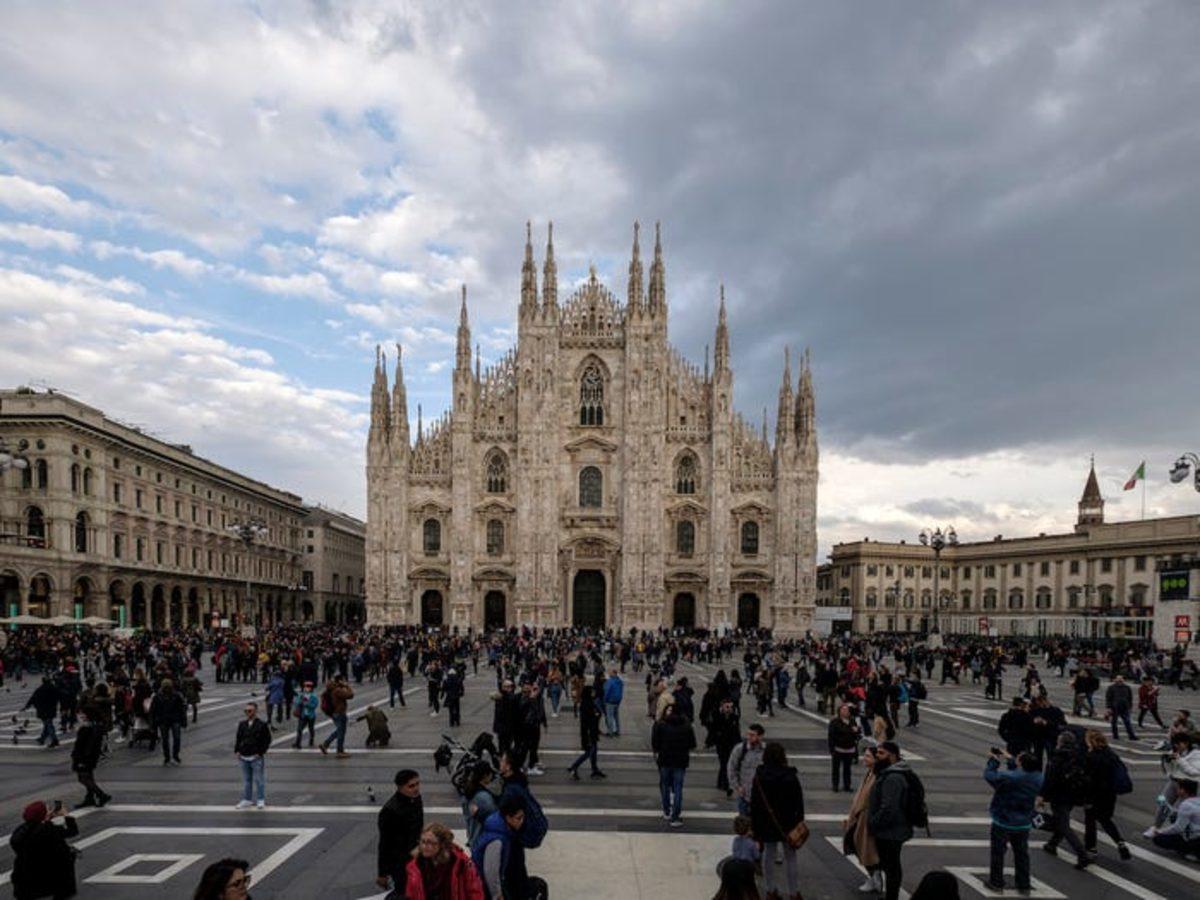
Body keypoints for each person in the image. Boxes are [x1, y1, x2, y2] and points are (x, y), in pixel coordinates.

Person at [749, 741, 805, 900]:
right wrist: (799, 820)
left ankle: (770, 889)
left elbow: (755, 803)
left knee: (768, 855)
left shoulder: (760, 776)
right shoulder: (790, 776)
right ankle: (794, 892)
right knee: (791, 857)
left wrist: (755, 826)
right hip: (788, 822)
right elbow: (798, 801)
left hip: (767, 822)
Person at [984, 749, 1042, 893]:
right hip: (1023, 822)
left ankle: (996, 882)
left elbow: (990, 776)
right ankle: (1024, 885)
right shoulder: (1039, 777)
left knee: (998, 853)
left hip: (1003, 820)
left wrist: (994, 761)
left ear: (1021, 763)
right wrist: (1011, 759)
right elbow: (1021, 772)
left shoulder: (1009, 778)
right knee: (1022, 854)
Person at [867, 741, 915, 900]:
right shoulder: (891, 772)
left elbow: (889, 808)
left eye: (881, 753)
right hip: (892, 829)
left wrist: (873, 824)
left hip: (891, 831)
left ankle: (891, 896)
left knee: (892, 867)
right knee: (890, 865)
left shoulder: (893, 777)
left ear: (892, 756)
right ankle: (891, 895)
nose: (877, 756)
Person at [1038, 731, 1090, 869]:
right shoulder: (1079, 756)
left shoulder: (1057, 758)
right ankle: (1052, 844)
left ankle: (1082, 854)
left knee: (1064, 825)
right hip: (1073, 794)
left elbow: (1050, 779)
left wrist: (1042, 795)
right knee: (1062, 820)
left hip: (1059, 795)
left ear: (1060, 742)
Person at [9, 800, 79, 900]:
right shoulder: (49, 830)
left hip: (23, 880)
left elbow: (36, 829)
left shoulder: (20, 830)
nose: (50, 811)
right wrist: (66, 815)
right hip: (48, 879)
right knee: (67, 857)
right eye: (48, 810)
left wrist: (46, 818)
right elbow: (72, 831)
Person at [403, 821, 485, 900]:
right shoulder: (414, 866)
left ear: (441, 844)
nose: (425, 846)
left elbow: (474, 890)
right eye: (423, 841)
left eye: (430, 842)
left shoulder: (460, 862)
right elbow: (411, 894)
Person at [1082, 730, 1131, 859]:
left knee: (1090, 822)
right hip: (1110, 793)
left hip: (1094, 794)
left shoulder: (1091, 757)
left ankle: (1091, 848)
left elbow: (1088, 778)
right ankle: (1120, 842)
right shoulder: (1111, 755)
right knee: (1105, 819)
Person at [473, 796, 531, 900]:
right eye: (519, 818)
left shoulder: (499, 827)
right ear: (508, 817)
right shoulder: (497, 840)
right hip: (482, 886)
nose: (522, 821)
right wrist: (497, 895)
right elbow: (491, 871)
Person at [377, 769, 424, 895]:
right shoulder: (389, 811)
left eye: (417, 784)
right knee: (404, 892)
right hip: (399, 863)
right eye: (411, 786)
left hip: (416, 856)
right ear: (400, 787)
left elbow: (419, 826)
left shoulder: (416, 798)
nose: (416, 788)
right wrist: (382, 873)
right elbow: (384, 843)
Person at [844, 743, 882, 894]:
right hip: (860, 818)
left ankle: (875, 877)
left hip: (866, 819)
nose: (864, 759)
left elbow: (865, 799)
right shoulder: (870, 773)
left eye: (867, 756)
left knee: (866, 849)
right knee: (860, 847)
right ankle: (874, 876)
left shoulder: (877, 776)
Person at [652, 702, 697, 827]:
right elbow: (692, 744)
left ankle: (666, 810)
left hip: (665, 760)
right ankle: (675, 816)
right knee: (678, 788)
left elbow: (655, 744)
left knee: (665, 785)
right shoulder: (687, 726)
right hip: (680, 761)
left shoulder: (661, 725)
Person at [1147, 777, 1200, 856]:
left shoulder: (1186, 805)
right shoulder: (1197, 800)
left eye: (1178, 788)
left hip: (1195, 839)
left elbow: (1178, 828)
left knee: (1158, 839)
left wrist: (1159, 831)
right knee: (1174, 816)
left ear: (1182, 790)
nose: (1176, 790)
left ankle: (1189, 851)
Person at [71, 709, 111, 808]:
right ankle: (90, 798)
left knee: (83, 778)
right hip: (91, 757)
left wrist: (81, 759)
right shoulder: (95, 727)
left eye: (82, 714)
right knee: (88, 777)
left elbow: (84, 745)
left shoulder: (86, 729)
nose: (79, 716)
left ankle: (101, 795)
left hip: (84, 757)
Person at [234, 702, 270, 810]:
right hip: (243, 755)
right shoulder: (242, 724)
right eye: (246, 711)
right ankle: (247, 799)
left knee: (259, 780)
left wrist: (260, 752)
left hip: (256, 756)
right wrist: (237, 751)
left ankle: (260, 799)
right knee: (246, 780)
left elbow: (267, 740)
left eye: (250, 710)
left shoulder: (262, 724)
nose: (247, 713)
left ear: (255, 711)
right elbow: (239, 738)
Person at [567, 683, 606, 780]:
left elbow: (597, 713)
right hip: (588, 732)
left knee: (594, 751)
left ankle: (594, 769)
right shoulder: (586, 704)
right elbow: (590, 718)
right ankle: (574, 766)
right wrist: (596, 715)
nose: (594, 693)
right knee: (589, 752)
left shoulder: (590, 702)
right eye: (592, 692)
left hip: (592, 731)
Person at [728, 723, 766, 815]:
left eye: (752, 735)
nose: (749, 737)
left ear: (760, 736)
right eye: (748, 734)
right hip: (745, 795)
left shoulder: (766, 751)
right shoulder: (740, 749)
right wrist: (737, 787)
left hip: (762, 796)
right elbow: (732, 768)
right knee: (744, 823)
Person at [150, 678, 187, 765]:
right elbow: (153, 711)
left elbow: (182, 709)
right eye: (165, 687)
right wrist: (153, 723)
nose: (167, 689)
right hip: (163, 720)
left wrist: (183, 720)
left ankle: (175, 755)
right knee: (165, 739)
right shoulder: (157, 697)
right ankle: (167, 757)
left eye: (168, 687)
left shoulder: (177, 696)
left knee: (176, 738)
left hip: (175, 719)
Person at [709, 698, 741, 796]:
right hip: (721, 743)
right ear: (722, 706)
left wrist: (739, 743)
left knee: (726, 763)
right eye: (727, 707)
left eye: (731, 707)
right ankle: (725, 784)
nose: (729, 709)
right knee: (724, 763)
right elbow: (712, 728)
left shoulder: (734, 717)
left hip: (731, 743)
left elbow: (736, 731)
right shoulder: (716, 715)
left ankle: (722, 783)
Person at [463, 762, 499, 847]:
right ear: (485, 776)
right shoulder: (485, 798)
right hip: (484, 841)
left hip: (472, 836)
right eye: (490, 774)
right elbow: (494, 819)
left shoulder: (468, 793)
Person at [319, 675, 354, 758]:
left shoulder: (330, 689)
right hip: (340, 713)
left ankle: (325, 744)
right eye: (343, 680)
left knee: (339, 730)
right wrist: (347, 686)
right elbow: (350, 695)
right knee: (341, 732)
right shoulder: (337, 690)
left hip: (334, 713)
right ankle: (339, 751)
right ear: (340, 681)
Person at [829, 703, 861, 793]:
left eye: (847, 710)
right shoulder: (835, 722)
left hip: (850, 749)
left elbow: (857, 733)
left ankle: (847, 785)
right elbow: (831, 736)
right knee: (836, 769)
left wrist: (857, 731)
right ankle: (835, 785)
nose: (845, 712)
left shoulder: (852, 721)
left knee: (847, 769)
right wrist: (832, 749)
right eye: (843, 710)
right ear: (839, 712)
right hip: (838, 748)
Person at [24, 675, 60, 748]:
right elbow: (59, 697)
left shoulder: (40, 689)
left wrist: (27, 706)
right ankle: (43, 738)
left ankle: (54, 739)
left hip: (43, 710)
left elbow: (33, 698)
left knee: (48, 724)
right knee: (48, 724)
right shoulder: (53, 688)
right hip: (51, 709)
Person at [292, 680, 319, 748]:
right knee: (299, 729)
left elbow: (314, 705)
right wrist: (300, 701)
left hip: (311, 715)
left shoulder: (314, 696)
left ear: (311, 688)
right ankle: (298, 743)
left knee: (311, 728)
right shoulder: (302, 695)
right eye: (305, 686)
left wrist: (306, 704)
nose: (306, 688)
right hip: (303, 715)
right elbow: (296, 702)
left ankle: (311, 740)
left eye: (308, 687)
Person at [602, 667, 624, 736]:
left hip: (610, 701)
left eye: (610, 673)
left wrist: (604, 700)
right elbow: (621, 691)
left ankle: (610, 731)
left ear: (613, 673)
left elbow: (606, 692)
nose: (609, 674)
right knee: (616, 717)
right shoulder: (620, 681)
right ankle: (618, 731)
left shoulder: (610, 681)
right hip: (617, 701)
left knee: (610, 717)